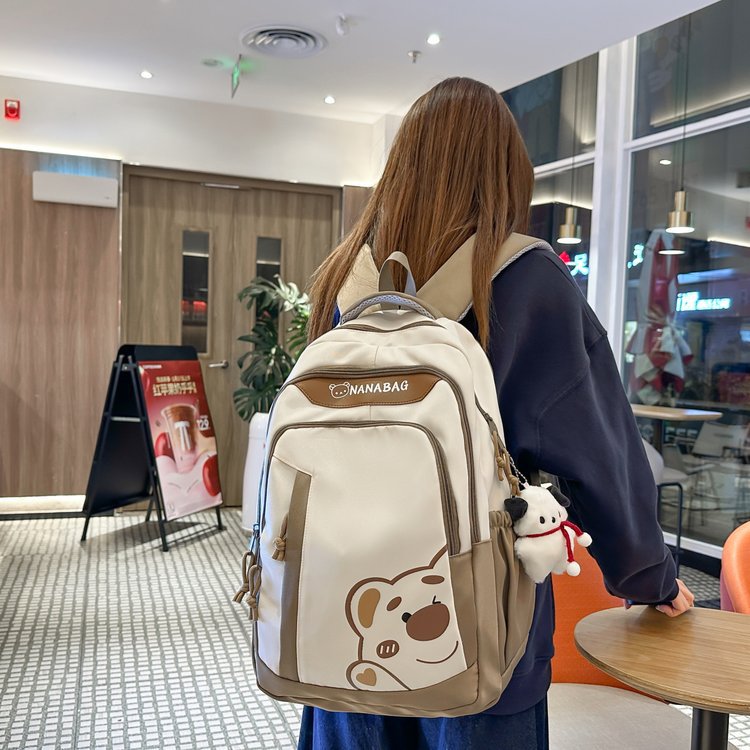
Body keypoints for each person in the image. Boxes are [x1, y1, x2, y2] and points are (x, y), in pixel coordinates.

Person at [300, 77, 695, 750]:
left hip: (347, 613)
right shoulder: (523, 279)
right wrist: (649, 577)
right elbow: (598, 452)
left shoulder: (346, 278)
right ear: (506, 175)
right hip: (478, 626)